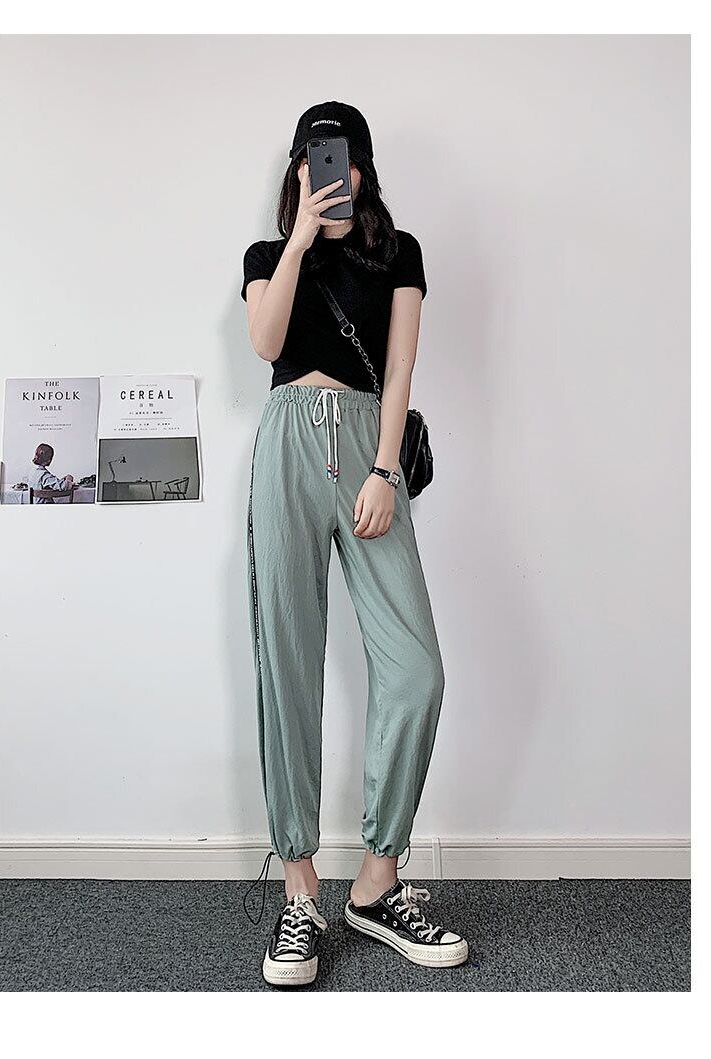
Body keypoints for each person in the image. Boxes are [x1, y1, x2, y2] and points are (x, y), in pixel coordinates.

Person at [242, 101, 468, 987]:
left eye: (342, 157)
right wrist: (300, 240)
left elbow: (402, 366)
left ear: (363, 169)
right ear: (299, 170)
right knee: (288, 664)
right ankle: (300, 890)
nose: (330, 170)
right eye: (314, 156)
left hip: (369, 451)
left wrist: (383, 469)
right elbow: (265, 342)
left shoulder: (399, 252)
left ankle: (376, 882)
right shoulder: (266, 257)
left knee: (416, 670)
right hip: (287, 447)